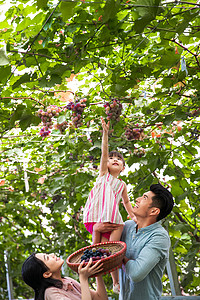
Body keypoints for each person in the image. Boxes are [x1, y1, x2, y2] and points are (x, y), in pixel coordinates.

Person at [93, 183, 174, 300]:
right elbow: (101, 255)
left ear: (154, 211)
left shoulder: (159, 237)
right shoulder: (126, 226)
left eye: (144, 198)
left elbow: (136, 273)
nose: (137, 199)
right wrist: (96, 231)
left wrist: (117, 256)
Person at [83, 117, 135, 293]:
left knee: (110, 248)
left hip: (113, 218)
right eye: (111, 158)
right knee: (101, 248)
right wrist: (105, 134)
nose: (114, 160)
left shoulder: (122, 184)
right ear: (105, 164)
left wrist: (133, 216)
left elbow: (126, 202)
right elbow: (104, 153)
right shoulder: (103, 175)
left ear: (123, 168)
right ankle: (98, 274)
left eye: (118, 160)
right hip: (98, 216)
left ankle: (115, 282)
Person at [21, 252, 108, 300]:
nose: (52, 254)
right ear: (47, 274)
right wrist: (83, 279)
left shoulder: (67, 281)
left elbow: (100, 298)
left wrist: (97, 273)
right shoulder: (51, 293)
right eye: (47, 257)